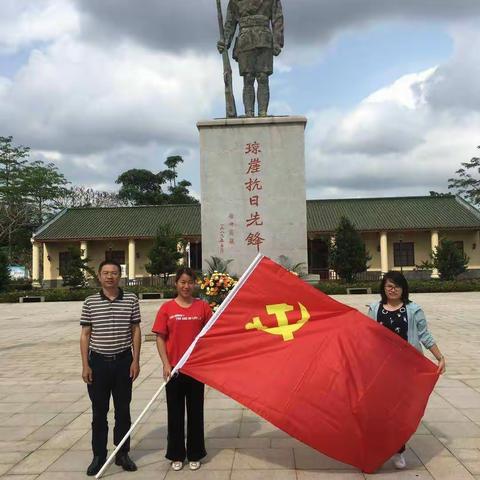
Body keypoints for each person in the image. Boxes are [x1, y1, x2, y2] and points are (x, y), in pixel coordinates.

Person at [367, 271, 446, 470]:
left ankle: (398, 451)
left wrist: (439, 357)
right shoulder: (375, 308)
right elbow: (367, 336)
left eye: (396, 286)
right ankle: (375, 451)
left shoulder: (413, 309)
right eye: (388, 286)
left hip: (405, 370)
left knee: (399, 413)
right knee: (378, 412)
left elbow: (424, 335)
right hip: (381, 369)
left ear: (403, 289)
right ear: (383, 288)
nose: (392, 290)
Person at [80, 260, 141, 476]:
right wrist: (85, 364)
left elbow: (135, 330)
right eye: (105, 273)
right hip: (98, 363)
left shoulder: (131, 299)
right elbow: (85, 334)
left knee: (123, 410)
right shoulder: (90, 302)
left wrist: (136, 360)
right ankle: (98, 455)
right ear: (99, 276)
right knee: (99, 412)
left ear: (120, 276)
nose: (109, 277)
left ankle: (122, 453)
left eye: (114, 273)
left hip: (123, 361)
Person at [152, 267, 213, 472]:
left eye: (190, 282)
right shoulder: (167, 308)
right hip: (175, 371)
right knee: (175, 413)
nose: (186, 286)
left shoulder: (203, 307)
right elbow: (160, 338)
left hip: (195, 370)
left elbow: (211, 336)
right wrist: (166, 364)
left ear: (195, 284)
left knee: (196, 413)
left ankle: (195, 453)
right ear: (176, 284)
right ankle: (176, 454)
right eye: (182, 282)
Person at [217, 0, 284, 117]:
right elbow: (230, 22)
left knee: (263, 77)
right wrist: (225, 41)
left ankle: (263, 112)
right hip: (245, 40)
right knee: (248, 79)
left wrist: (278, 41)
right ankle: (249, 113)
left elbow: (277, 18)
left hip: (264, 39)